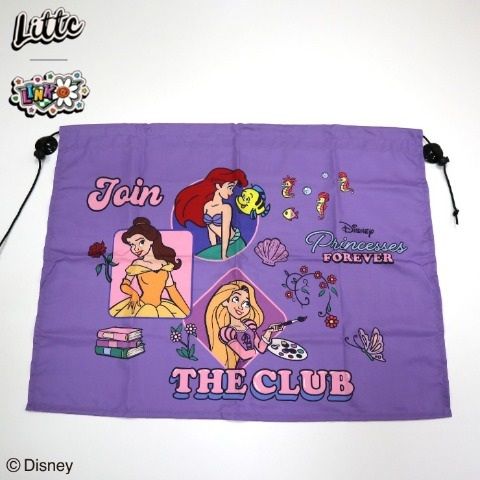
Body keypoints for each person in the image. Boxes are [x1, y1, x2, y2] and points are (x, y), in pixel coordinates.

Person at [109, 217, 190, 318]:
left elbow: (173, 292)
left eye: (141, 242)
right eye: (132, 244)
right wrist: (133, 293)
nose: (136, 248)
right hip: (140, 306)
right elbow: (124, 285)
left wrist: (188, 313)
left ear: (151, 240)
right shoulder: (137, 264)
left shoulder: (165, 265)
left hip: (162, 308)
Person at [205, 280, 284, 368]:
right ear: (225, 302)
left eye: (246, 304)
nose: (240, 307)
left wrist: (269, 331)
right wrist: (261, 353)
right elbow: (244, 355)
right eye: (236, 299)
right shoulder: (228, 332)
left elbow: (260, 348)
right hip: (242, 368)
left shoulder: (249, 324)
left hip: (257, 366)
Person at [174, 168, 248, 260]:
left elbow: (225, 232)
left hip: (234, 243)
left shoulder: (226, 208)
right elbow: (210, 230)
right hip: (221, 245)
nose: (231, 192)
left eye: (232, 188)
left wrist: (223, 255)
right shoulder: (207, 206)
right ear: (218, 186)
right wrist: (214, 247)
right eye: (229, 187)